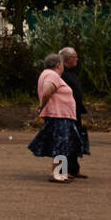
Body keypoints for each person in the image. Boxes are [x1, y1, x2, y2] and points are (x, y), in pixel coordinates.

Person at [29, 53, 81, 182]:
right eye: (62, 64)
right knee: (61, 145)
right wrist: (42, 105)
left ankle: (61, 172)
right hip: (59, 116)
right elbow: (47, 90)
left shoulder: (48, 74)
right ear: (58, 65)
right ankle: (56, 173)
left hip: (61, 115)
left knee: (63, 145)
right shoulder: (52, 75)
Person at [59, 47, 90, 178]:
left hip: (74, 111)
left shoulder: (71, 73)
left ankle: (73, 169)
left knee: (75, 140)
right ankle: (62, 170)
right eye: (75, 57)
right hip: (65, 112)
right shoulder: (61, 73)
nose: (77, 59)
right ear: (67, 59)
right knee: (65, 141)